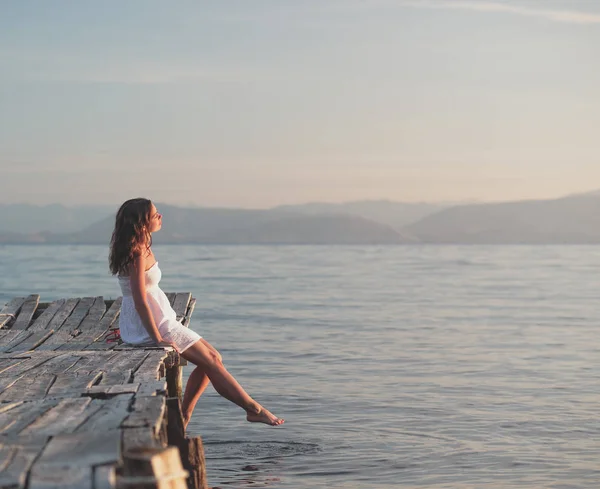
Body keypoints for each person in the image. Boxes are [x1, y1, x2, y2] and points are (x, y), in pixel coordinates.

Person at [109, 198, 284, 428]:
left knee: (213, 359)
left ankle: (185, 412)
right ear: (142, 223)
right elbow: (140, 300)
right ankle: (253, 409)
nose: (160, 217)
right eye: (155, 215)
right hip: (150, 324)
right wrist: (157, 338)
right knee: (211, 360)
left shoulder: (143, 247)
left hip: (160, 317)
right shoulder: (137, 252)